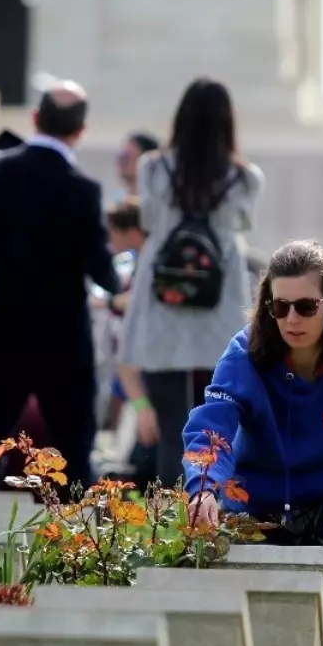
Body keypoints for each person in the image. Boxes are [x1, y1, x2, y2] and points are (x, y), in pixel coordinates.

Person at [182, 240, 323, 646]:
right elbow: (212, 427)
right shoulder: (244, 353)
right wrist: (202, 489)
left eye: (306, 306)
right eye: (278, 306)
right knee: (208, 561)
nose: (291, 319)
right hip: (255, 502)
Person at [0, 80, 120, 490]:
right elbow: (101, 269)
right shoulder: (83, 190)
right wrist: (121, 288)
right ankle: (78, 545)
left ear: (34, 119)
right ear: (80, 131)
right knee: (74, 451)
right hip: (63, 341)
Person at [118, 77, 265, 487]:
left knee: (172, 428)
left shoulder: (153, 168)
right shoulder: (246, 177)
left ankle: (168, 523)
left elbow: (148, 221)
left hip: (164, 305)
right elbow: (243, 225)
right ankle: (210, 513)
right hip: (217, 310)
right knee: (216, 426)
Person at [115, 132, 160, 200]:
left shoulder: (161, 201)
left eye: (126, 156)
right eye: (121, 155)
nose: (120, 160)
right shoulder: (118, 200)